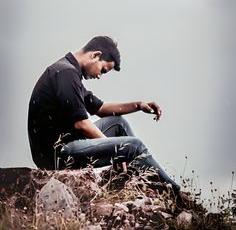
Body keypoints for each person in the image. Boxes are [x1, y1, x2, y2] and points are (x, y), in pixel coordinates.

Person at [28, 36, 180, 192]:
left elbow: (100, 108)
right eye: (103, 70)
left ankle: (136, 179)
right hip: (57, 154)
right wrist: (121, 151)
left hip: (68, 144)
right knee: (133, 145)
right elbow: (82, 124)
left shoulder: (69, 71)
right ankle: (172, 191)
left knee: (118, 122)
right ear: (95, 55)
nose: (99, 76)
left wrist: (139, 105)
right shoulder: (65, 73)